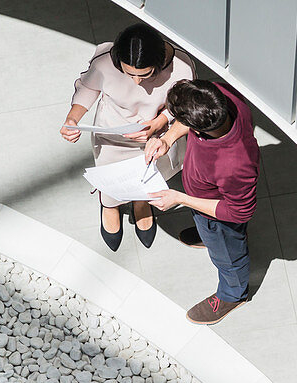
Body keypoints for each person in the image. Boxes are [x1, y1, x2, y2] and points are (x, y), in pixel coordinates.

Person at [60, 24, 194, 251]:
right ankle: (109, 205)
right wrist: (72, 118)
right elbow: (88, 87)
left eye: (145, 74)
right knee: (111, 175)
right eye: (129, 73)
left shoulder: (181, 66)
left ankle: (141, 203)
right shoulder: (104, 61)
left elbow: (184, 104)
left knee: (149, 175)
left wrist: (159, 123)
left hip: (155, 136)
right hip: (112, 131)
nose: (137, 82)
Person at [146, 79, 260, 325]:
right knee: (215, 234)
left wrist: (180, 198)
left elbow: (239, 212)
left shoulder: (234, 165)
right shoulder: (219, 96)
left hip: (217, 216)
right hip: (210, 197)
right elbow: (186, 122)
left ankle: (233, 294)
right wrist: (167, 139)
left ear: (198, 130)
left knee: (228, 256)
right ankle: (209, 235)